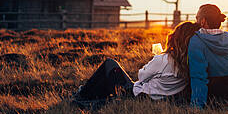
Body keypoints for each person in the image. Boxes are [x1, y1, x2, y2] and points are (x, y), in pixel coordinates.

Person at [72, 21, 201, 105]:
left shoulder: (164, 59)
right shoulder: (191, 63)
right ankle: (85, 94)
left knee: (110, 64)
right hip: (158, 98)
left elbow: (142, 76)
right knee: (110, 82)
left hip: (138, 94)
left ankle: (82, 94)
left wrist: (154, 60)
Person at [188, 4, 228, 108]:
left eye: (197, 18)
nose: (196, 22)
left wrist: (196, 107)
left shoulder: (196, 41)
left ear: (203, 21)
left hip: (209, 96)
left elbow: (198, 77)